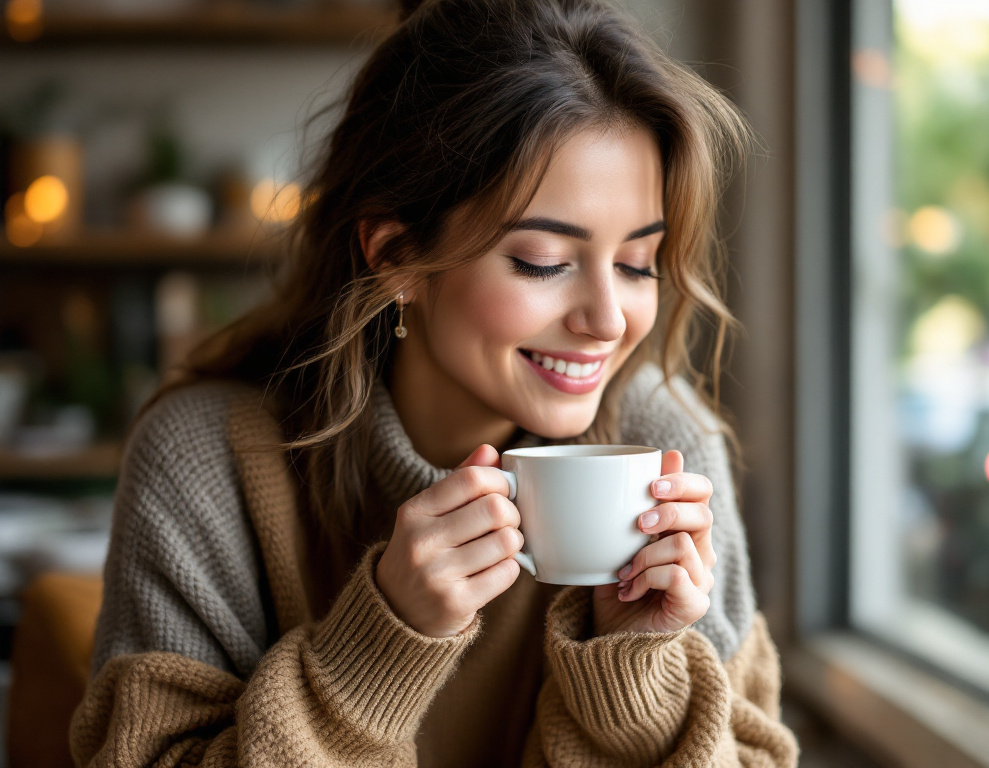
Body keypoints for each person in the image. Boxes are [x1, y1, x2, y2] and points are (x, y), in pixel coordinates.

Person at [70, 0, 799, 765]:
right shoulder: (208, 458)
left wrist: (635, 674)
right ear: (395, 257)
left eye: (637, 263)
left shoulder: (662, 446)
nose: (609, 320)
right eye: (545, 261)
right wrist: (377, 648)